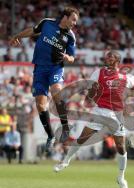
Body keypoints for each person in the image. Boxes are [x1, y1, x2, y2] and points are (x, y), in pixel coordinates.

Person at [53, 50, 134, 188]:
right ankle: (65, 161)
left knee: (121, 148)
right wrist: (89, 98)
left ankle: (121, 177)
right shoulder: (98, 73)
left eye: (110, 57)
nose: (107, 58)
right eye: (107, 56)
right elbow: (90, 88)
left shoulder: (127, 77)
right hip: (100, 111)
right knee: (82, 138)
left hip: (117, 115)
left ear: (117, 61)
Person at [9, 7, 79, 151]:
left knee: (56, 91)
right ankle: (50, 135)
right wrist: (18, 35)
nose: (75, 23)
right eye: (73, 19)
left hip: (55, 68)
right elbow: (33, 30)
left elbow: (72, 57)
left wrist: (67, 57)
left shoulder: (70, 36)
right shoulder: (47, 23)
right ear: (65, 16)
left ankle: (65, 127)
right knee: (40, 105)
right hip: (40, 68)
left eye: (76, 21)